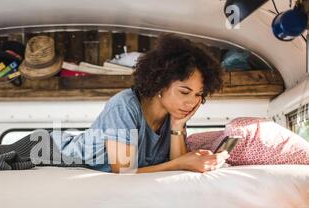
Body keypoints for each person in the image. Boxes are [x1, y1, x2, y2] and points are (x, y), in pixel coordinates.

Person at [49, 34, 229, 173]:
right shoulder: (124, 106)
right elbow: (123, 172)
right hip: (46, 149)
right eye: (184, 92)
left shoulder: (173, 114)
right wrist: (181, 163)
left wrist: (177, 125)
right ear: (161, 83)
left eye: (199, 94)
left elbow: (179, 169)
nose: (192, 102)